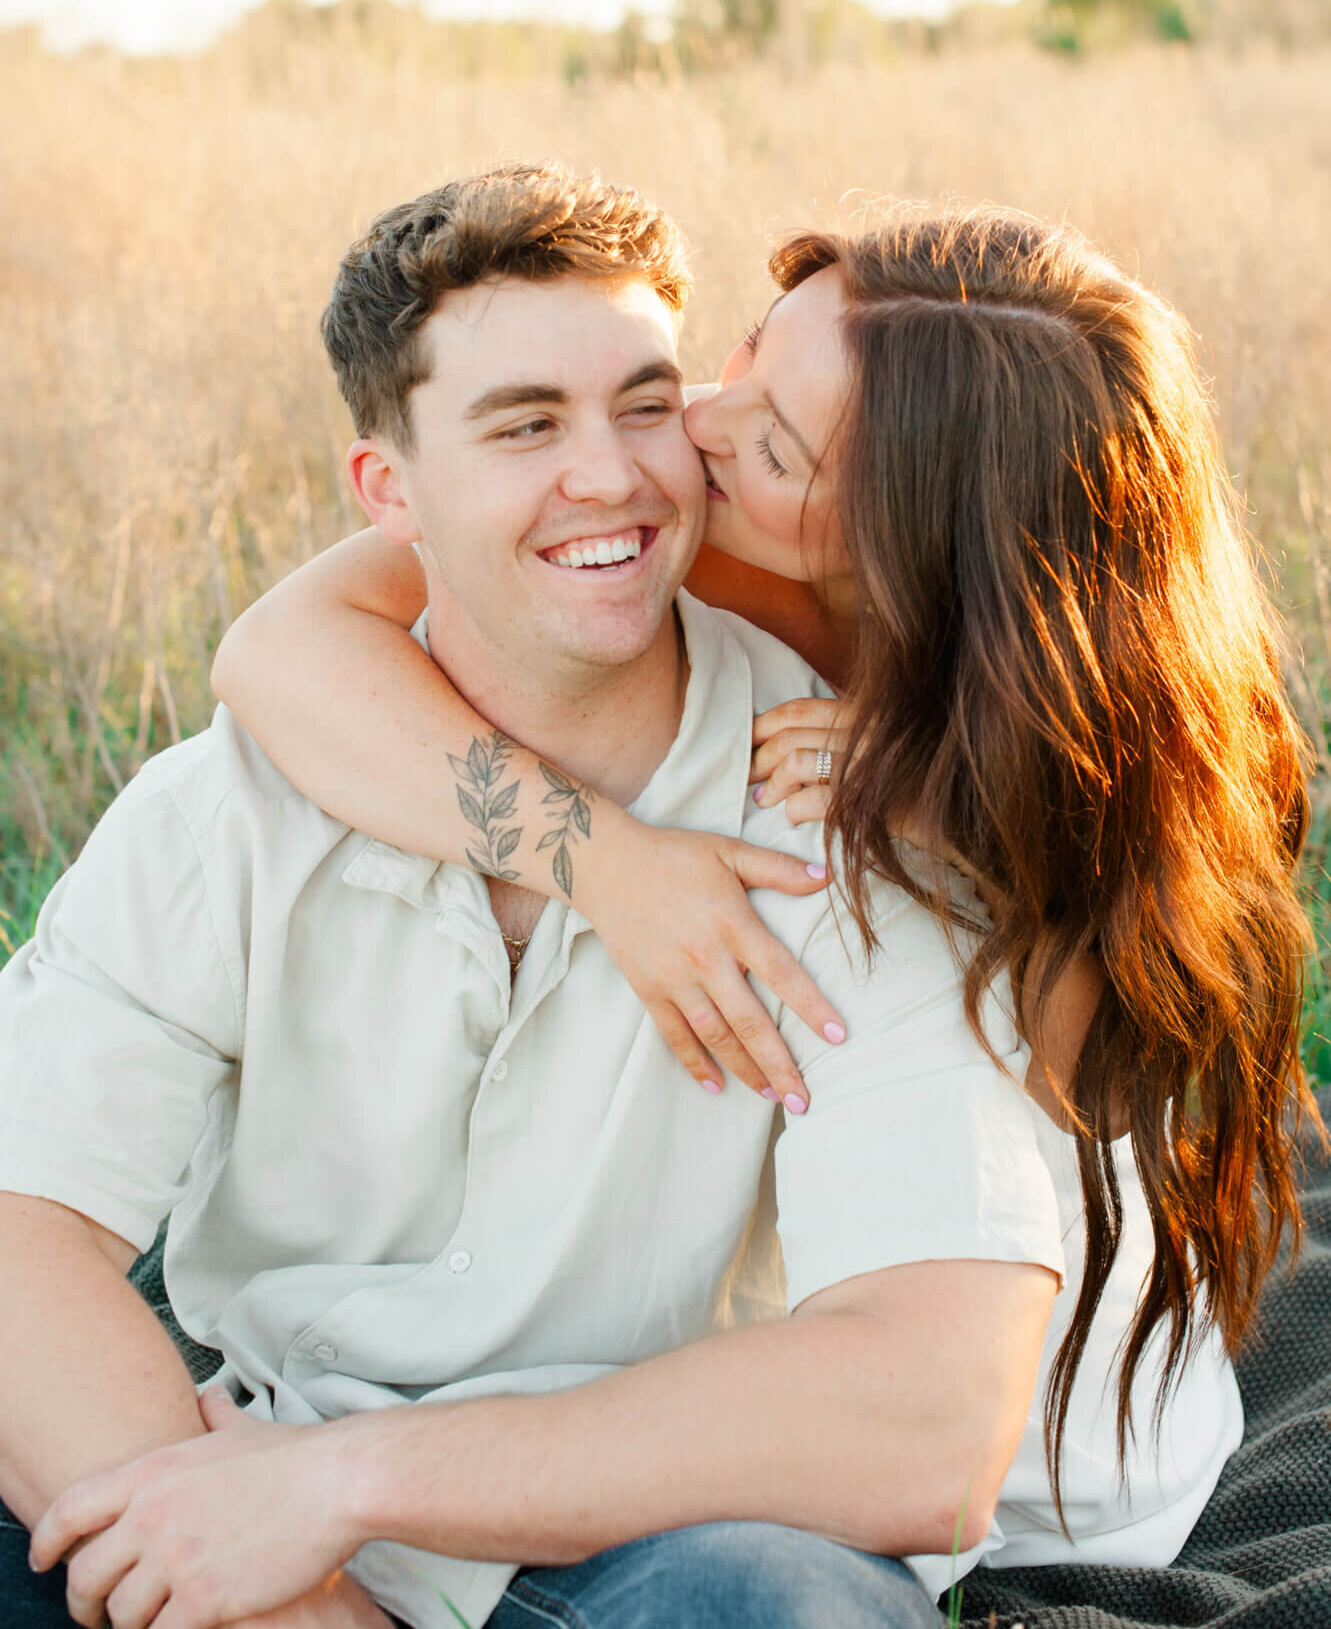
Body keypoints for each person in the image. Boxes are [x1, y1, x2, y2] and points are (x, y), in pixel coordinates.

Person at [199, 175, 1313, 1591]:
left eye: (774, 444)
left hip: (1010, 1449)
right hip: (750, 1351)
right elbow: (282, 651)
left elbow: (995, 1153)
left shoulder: (1086, 784)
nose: (695, 430)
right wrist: (608, 863)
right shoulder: (720, 538)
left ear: (921, 542)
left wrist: (943, 795)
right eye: (741, 359)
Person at [0, 164, 1073, 1629]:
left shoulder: (852, 814)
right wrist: (271, 1583)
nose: (617, 473)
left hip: (656, 1514)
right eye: (524, 426)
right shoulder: (229, 808)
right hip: (255, 1481)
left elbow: (930, 1426)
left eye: (646, 401)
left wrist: (352, 1484)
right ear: (390, 493)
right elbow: (18, 1219)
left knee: (770, 1603)